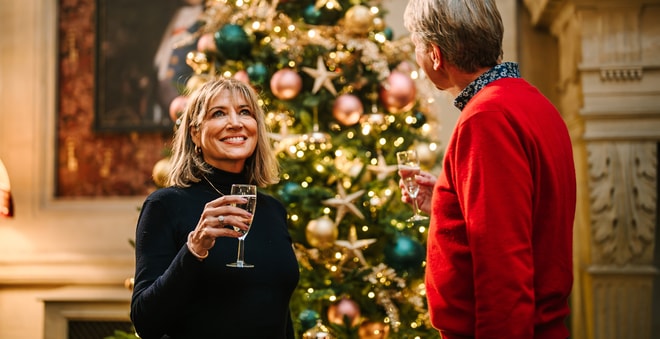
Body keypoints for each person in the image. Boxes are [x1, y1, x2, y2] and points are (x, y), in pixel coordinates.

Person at [400, 1, 576, 338]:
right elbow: (525, 215)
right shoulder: (532, 101)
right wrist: (446, 200)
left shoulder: (487, 118)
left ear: (435, 54)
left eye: (415, 44)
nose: (417, 57)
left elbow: (503, 268)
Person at [130, 77, 300, 338]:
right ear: (195, 133)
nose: (235, 122)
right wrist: (194, 249)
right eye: (218, 113)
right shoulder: (165, 205)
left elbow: (279, 316)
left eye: (245, 112)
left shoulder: (273, 210)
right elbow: (146, 322)